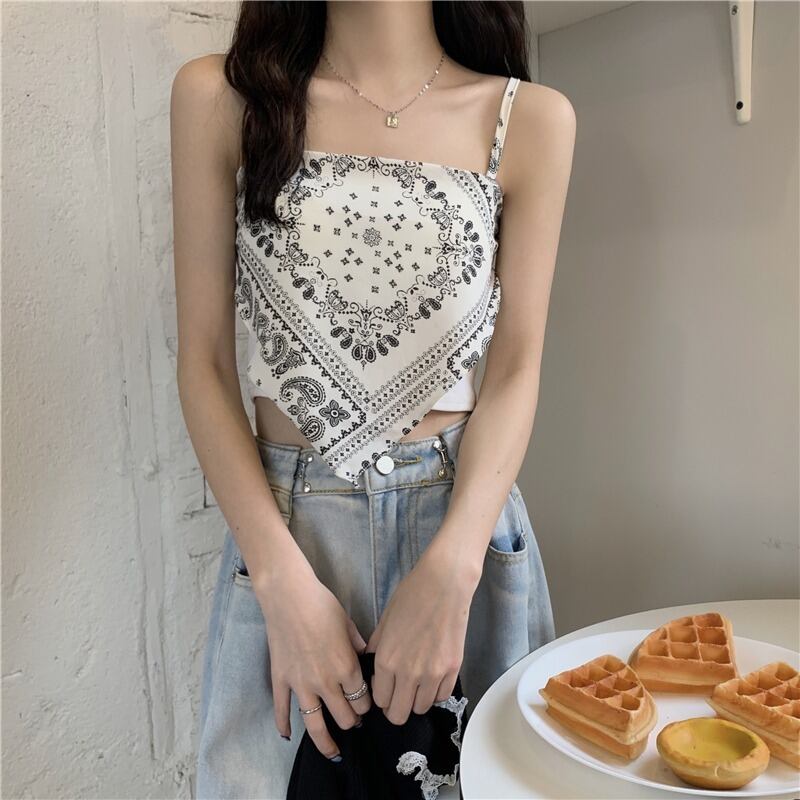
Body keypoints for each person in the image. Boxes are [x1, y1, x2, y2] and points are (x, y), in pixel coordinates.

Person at [170, 1, 575, 797]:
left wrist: (455, 566)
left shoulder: (530, 120)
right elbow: (204, 365)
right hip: (291, 540)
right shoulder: (222, 99)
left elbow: (516, 368)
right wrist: (281, 583)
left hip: (463, 528)